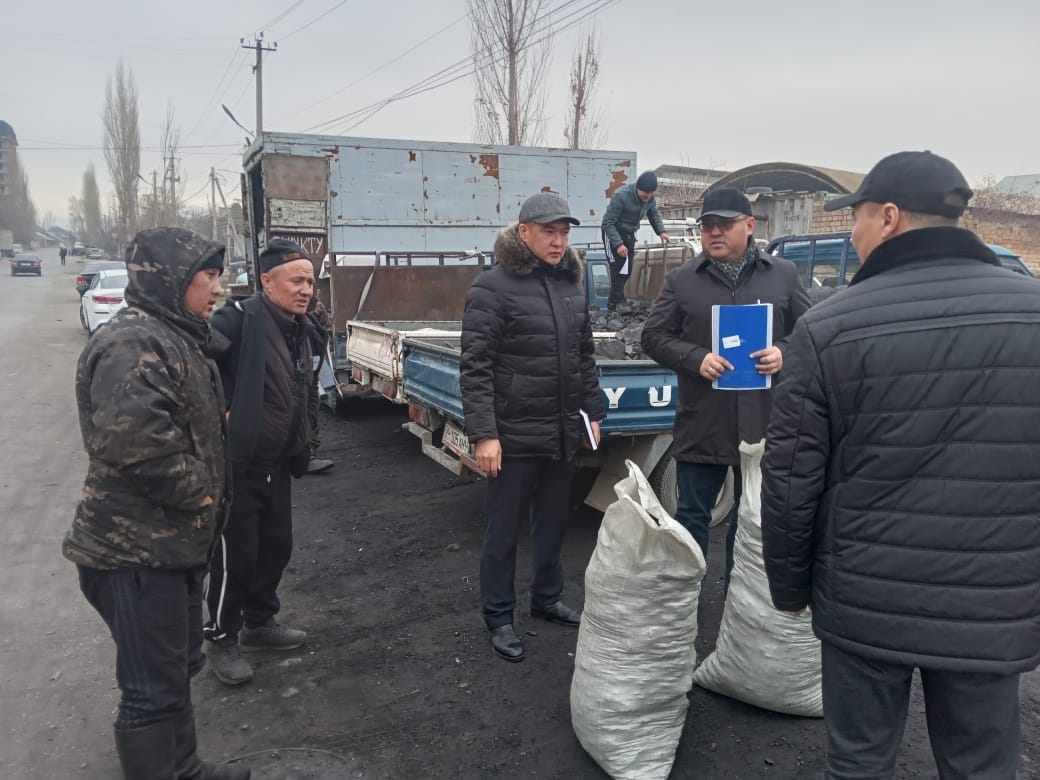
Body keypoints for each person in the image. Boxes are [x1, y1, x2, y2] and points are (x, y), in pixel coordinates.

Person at [760, 151, 1040, 779]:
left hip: (865, 596)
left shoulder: (830, 327)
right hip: (992, 601)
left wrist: (790, 588)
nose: (851, 233)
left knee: (860, 763)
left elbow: (790, 477)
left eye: (855, 217)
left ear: (888, 217)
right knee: (982, 766)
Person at [63, 228, 249, 779]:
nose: (219, 289)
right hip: (134, 554)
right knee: (150, 690)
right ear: (171, 280)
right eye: (208, 277)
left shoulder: (174, 337)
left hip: (172, 546)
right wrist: (204, 492)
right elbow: (139, 447)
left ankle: (184, 768)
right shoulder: (133, 344)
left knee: (175, 672)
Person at [461, 192, 606, 663]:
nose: (558, 241)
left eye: (564, 233)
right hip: (513, 434)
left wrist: (593, 410)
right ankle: (499, 616)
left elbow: (583, 355)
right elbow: (476, 367)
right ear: (524, 233)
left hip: (561, 430)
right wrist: (485, 434)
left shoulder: (570, 285)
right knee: (504, 531)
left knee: (553, 523)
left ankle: (547, 598)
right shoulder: (492, 287)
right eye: (549, 232)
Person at [641, 187, 810, 585]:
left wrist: (784, 352)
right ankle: (687, 598)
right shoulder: (683, 280)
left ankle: (739, 596)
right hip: (704, 422)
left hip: (764, 424)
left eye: (724, 224)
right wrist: (695, 358)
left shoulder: (783, 276)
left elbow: (809, 331)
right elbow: (653, 336)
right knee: (692, 517)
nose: (714, 232)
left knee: (751, 519)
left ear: (749, 226)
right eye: (707, 226)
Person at [203, 238, 319, 685]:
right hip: (239, 464)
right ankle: (221, 636)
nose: (306, 289)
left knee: (276, 546)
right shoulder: (238, 319)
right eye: (297, 281)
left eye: (310, 281)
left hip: (278, 460)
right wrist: (221, 412)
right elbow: (196, 364)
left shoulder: (299, 325)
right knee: (236, 557)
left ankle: (259, 622)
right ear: (266, 281)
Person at [601, 170, 670, 309]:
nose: (648, 196)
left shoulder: (650, 199)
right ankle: (614, 304)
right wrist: (618, 244)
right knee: (617, 267)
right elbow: (607, 223)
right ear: (638, 188)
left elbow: (653, 214)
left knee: (628, 268)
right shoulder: (621, 196)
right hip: (613, 233)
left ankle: (619, 300)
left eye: (651, 193)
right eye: (645, 193)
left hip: (629, 234)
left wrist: (661, 231)